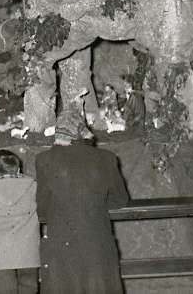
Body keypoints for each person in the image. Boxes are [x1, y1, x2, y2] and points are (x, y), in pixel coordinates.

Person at [35, 111, 129, 294]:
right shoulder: (107, 157)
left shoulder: (45, 159)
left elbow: (42, 209)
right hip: (97, 242)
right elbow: (120, 199)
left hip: (62, 243)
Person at [0, 150, 40, 294]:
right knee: (29, 287)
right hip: (28, 248)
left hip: (2, 249)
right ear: (19, 169)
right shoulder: (32, 186)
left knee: (6, 288)